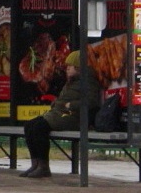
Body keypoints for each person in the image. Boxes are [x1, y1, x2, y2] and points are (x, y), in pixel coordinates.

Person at [20, 50, 101, 178]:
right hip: (61, 113)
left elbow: (92, 101)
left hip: (74, 117)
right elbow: (63, 98)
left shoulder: (88, 81)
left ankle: (44, 166)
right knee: (29, 126)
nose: (67, 69)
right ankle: (35, 163)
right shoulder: (72, 81)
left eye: (70, 66)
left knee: (40, 127)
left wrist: (71, 105)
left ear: (79, 67)